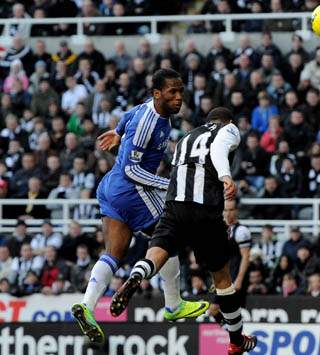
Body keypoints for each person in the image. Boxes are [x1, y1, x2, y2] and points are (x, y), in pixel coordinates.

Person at [71, 69, 208, 344]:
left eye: (180, 91)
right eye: (172, 92)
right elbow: (134, 171)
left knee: (114, 252)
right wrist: (166, 183)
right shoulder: (150, 124)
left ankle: (87, 305)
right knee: (170, 235)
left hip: (110, 187)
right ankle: (172, 304)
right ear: (157, 94)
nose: (179, 97)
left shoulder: (148, 110)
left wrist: (118, 132)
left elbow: (128, 115)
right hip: (132, 190)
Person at [110, 107, 257, 354]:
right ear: (227, 121)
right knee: (222, 278)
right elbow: (219, 150)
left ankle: (137, 274)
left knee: (158, 252)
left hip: (174, 205)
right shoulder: (227, 129)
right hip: (206, 208)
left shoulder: (185, 137)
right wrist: (226, 176)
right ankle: (236, 340)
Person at [209, 199, 252, 326]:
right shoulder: (220, 228)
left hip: (233, 275)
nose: (228, 213)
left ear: (236, 211)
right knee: (217, 310)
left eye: (231, 210)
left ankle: (234, 334)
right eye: (226, 210)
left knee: (215, 308)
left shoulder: (241, 231)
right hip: (222, 276)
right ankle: (234, 334)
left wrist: (239, 279)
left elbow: (246, 256)